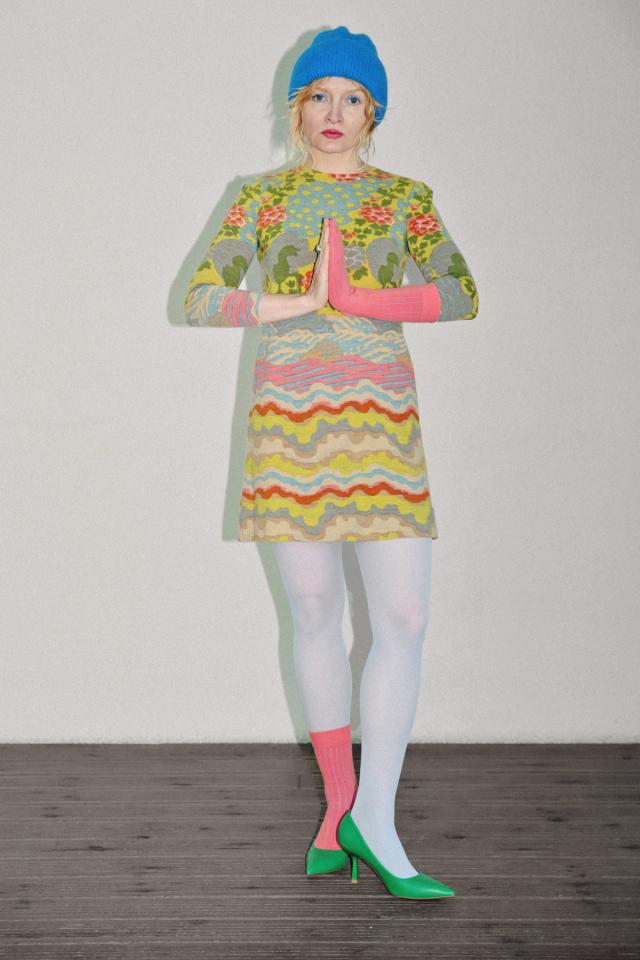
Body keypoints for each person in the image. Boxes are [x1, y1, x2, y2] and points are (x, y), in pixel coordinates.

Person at [183, 25, 478, 899]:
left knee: (405, 617)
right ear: (297, 107)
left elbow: (461, 290)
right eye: (319, 95)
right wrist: (297, 303)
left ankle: (374, 818)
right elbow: (199, 297)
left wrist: (358, 298)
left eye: (353, 97)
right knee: (313, 613)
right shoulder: (261, 198)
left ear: (374, 112)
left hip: (383, 425)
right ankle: (338, 809)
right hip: (290, 425)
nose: (335, 112)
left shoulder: (405, 199)